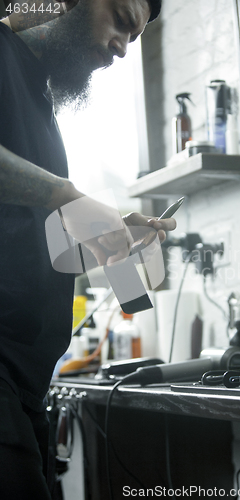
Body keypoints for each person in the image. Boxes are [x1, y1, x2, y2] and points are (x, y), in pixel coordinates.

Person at [0, 0, 175, 498]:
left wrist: (109, 232)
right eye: (121, 21)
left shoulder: (37, 96)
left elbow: (26, 219)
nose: (122, 48)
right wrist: (68, 196)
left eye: (134, 38)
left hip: (28, 384)